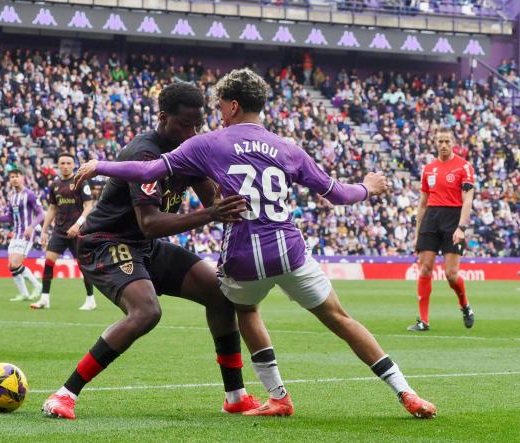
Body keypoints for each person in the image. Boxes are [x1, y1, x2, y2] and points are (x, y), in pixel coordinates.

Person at [76, 68, 437, 419]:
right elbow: (339, 194)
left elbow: (147, 170)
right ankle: (406, 390)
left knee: (244, 308)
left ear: (232, 106)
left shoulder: (207, 144)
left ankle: (277, 395)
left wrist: (101, 165)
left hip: (244, 257)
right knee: (339, 318)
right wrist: (368, 187)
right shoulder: (288, 148)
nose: (213, 117)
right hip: (290, 250)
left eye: (218, 108)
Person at [41, 82, 266, 420]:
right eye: (184, 125)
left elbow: (213, 202)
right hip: (104, 242)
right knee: (146, 311)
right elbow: (150, 222)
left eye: (197, 125)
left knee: (221, 294)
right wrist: (211, 214)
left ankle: (235, 395)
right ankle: (64, 394)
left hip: (143, 246)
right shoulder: (145, 154)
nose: (192, 132)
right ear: (163, 118)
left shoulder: (190, 149)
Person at [409, 128, 475, 331]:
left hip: (453, 218)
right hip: (431, 218)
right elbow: (422, 203)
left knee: (451, 274)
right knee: (425, 268)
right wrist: (417, 233)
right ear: (435, 143)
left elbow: (468, 199)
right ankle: (423, 321)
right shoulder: (428, 169)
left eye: (447, 141)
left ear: (453, 142)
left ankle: (465, 305)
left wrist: (461, 227)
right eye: (440, 141)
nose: (444, 145)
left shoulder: (463, 167)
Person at [30, 153, 96, 310]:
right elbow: (52, 208)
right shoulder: (55, 185)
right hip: (59, 231)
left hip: (78, 232)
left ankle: (90, 299)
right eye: (62, 163)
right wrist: (45, 230)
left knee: (83, 266)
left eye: (68, 163)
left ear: (73, 165)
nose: (65, 166)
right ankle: (45, 298)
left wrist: (78, 225)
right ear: (58, 165)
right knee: (48, 261)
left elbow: (89, 206)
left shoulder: (81, 181)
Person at [0, 168, 43, 301]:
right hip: (16, 233)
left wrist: (32, 227)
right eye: (12, 177)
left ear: (22, 177)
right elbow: (10, 217)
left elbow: (41, 213)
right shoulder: (12, 197)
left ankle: (37, 285)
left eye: (16, 176)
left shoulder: (30, 194)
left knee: (15, 264)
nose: (14, 179)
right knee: (11, 266)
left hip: (27, 234)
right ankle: (24, 294)